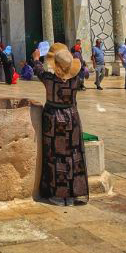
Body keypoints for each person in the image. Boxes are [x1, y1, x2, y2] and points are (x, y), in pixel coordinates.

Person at [32, 43, 89, 206]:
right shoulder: (77, 79)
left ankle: (58, 194)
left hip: (54, 119)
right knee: (73, 154)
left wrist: (36, 58)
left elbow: (38, 69)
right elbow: (82, 68)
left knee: (55, 156)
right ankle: (71, 194)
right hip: (72, 118)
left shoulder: (49, 79)